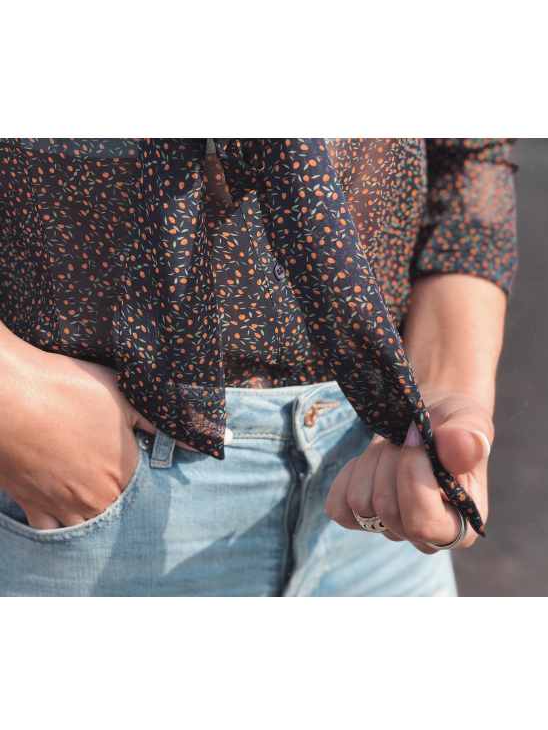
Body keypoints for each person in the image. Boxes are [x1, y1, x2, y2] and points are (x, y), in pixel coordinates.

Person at [0, 138, 516, 597]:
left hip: (379, 473)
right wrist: (18, 404)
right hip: (86, 486)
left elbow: (469, 155)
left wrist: (445, 385)